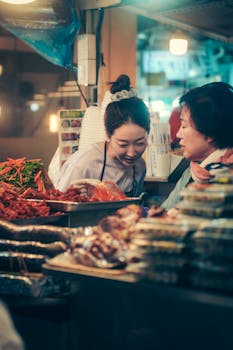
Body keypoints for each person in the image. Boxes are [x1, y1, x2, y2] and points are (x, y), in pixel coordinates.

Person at [55, 75, 150, 197]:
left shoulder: (139, 166)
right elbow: (58, 204)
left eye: (140, 143)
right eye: (123, 144)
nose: (131, 153)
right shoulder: (83, 164)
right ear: (108, 135)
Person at [162, 81, 233, 210]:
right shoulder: (194, 169)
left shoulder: (225, 176)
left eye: (184, 126)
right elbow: (165, 212)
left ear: (210, 132)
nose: (178, 134)